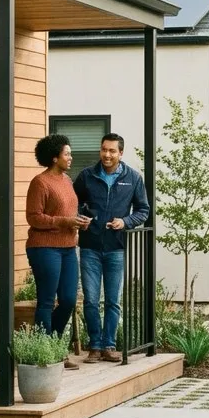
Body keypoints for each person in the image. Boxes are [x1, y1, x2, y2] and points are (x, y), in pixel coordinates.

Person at [73, 133, 150, 363]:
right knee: (90, 300)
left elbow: (143, 210)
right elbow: (73, 202)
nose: (107, 155)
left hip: (116, 247)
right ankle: (95, 346)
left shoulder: (133, 178)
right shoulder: (87, 176)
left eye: (112, 151)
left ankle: (109, 345)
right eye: (104, 150)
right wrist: (81, 217)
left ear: (120, 153)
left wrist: (125, 222)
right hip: (90, 247)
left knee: (113, 300)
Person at [25, 134, 90, 370]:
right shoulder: (40, 182)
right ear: (54, 158)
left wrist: (79, 221)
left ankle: (51, 347)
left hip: (67, 247)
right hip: (44, 247)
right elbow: (34, 217)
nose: (71, 157)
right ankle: (47, 355)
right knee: (46, 301)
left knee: (69, 300)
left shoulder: (67, 180)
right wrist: (65, 221)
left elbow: (67, 212)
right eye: (67, 154)